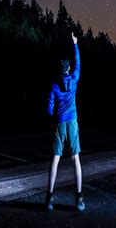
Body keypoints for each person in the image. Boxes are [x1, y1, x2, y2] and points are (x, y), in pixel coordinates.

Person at [45, 31, 85, 212]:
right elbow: (79, 63)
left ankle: (49, 198)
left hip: (60, 123)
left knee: (55, 159)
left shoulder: (54, 85)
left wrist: (52, 112)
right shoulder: (74, 79)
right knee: (75, 158)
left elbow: (49, 108)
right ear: (68, 69)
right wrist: (75, 44)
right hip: (73, 121)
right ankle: (79, 199)